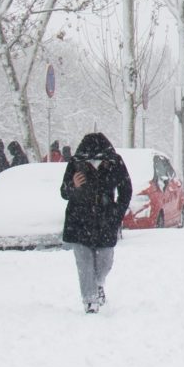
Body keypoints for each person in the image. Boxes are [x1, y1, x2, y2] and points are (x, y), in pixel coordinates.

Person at [60, 132, 133, 313]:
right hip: (79, 220)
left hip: (106, 220)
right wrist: (72, 185)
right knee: (84, 262)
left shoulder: (115, 163)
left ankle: (98, 284)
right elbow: (63, 192)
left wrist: (117, 213)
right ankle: (90, 301)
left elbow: (126, 190)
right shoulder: (76, 164)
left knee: (105, 261)